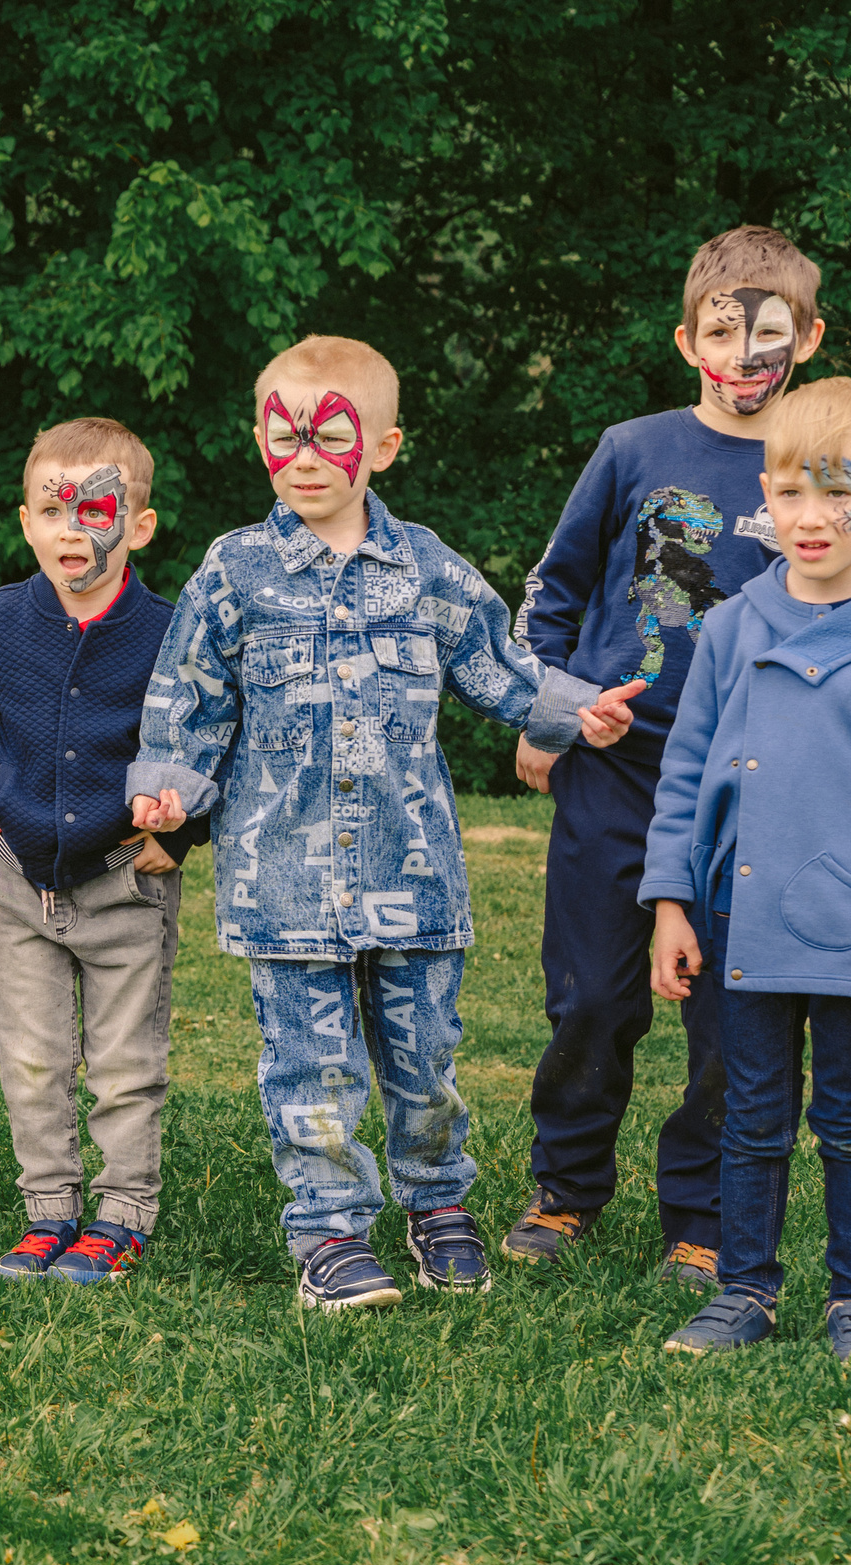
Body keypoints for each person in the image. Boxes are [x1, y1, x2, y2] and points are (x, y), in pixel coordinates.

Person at [130, 337, 647, 1310]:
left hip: (412, 878)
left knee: (424, 1068)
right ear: (259, 440)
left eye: (332, 436)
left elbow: (499, 665)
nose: (308, 455)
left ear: (383, 445)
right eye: (285, 436)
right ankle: (328, 1231)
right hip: (282, 886)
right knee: (311, 1071)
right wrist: (167, 784)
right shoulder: (233, 572)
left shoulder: (424, 569)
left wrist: (576, 712)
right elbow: (185, 693)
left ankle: (436, 1203)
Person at [504, 227, 828, 1286]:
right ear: (687, 340)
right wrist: (545, 716)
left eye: (768, 336)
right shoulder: (633, 449)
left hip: (753, 780)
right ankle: (564, 1188)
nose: (745, 356)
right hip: (617, 765)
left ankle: (702, 1211)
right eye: (723, 334)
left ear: (807, 340)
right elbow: (551, 595)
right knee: (593, 996)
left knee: (733, 1012)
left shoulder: (818, 469)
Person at [643, 379, 851, 1370]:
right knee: (750, 1117)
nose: (813, 518)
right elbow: (686, 768)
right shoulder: (736, 625)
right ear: (765, 497)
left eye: (840, 492)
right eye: (790, 494)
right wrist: (670, 902)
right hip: (742, 923)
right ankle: (745, 1290)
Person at [0, 418, 209, 1285]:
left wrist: (183, 831)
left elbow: (210, 745)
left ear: (140, 523)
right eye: (53, 508)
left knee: (126, 1062)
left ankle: (122, 1213)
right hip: (15, 880)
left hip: (123, 880)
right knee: (33, 1058)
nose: (72, 527)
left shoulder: (173, 631)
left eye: (95, 507)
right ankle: (49, 1211)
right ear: (25, 521)